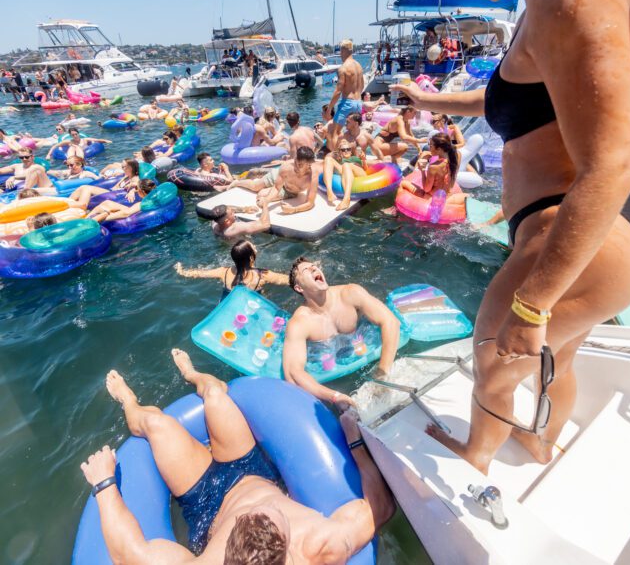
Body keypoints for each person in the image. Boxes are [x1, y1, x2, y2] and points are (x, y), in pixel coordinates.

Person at [390, 0, 630, 475]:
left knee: (494, 364)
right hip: (604, 243)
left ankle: (475, 458)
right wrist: (425, 100)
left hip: (573, 234)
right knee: (559, 358)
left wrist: (531, 305)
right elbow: (510, 104)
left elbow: (611, 165)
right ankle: (540, 443)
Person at [81, 350, 394, 563]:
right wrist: (355, 443)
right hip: (250, 471)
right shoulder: (321, 546)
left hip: (205, 503)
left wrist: (104, 483)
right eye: (270, 511)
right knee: (216, 393)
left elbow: (127, 554)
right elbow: (380, 508)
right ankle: (193, 375)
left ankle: (129, 402)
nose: (262, 507)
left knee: (155, 423)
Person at [283, 257, 402, 406]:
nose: (314, 268)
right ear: (299, 288)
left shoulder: (350, 293)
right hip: (331, 373)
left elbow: (391, 322)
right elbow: (292, 373)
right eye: (307, 270)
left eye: (315, 266)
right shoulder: (299, 323)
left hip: (365, 354)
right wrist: (335, 396)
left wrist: (382, 373)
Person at [175, 239, 289, 300]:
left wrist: (181, 270)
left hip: (226, 307)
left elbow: (199, 273)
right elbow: (289, 280)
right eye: (253, 247)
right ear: (251, 257)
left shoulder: (223, 272)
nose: (255, 247)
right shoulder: (263, 275)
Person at [235, 147, 319, 215]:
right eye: (295, 162)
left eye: (300, 165)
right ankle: (236, 182)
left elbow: (310, 203)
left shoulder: (312, 178)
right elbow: (276, 187)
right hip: (279, 177)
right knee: (255, 186)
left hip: (289, 191)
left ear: (309, 165)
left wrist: (294, 209)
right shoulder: (287, 166)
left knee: (261, 195)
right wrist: (267, 201)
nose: (296, 166)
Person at [399, 133, 467, 206]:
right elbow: (452, 181)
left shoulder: (434, 167)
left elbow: (426, 189)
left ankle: (394, 210)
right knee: (467, 196)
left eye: (431, 146)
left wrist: (422, 170)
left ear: (439, 149)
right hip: (447, 197)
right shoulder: (457, 157)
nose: (429, 148)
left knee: (402, 183)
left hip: (431, 198)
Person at [326, 39, 364, 137]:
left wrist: (329, 109)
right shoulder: (359, 66)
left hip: (347, 103)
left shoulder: (343, 68)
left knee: (335, 132)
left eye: (340, 52)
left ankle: (335, 152)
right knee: (353, 132)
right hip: (358, 103)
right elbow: (362, 85)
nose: (340, 54)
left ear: (343, 51)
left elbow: (338, 91)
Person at [70, 159, 141, 208]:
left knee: (87, 188)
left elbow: (139, 185)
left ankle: (82, 206)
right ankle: (68, 201)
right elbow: (116, 184)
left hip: (116, 195)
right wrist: (111, 176)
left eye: (123, 167)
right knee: (82, 187)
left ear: (130, 168)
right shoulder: (126, 176)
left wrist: (132, 191)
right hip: (111, 192)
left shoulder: (135, 178)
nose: (122, 168)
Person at [322, 138, 368, 210]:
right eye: (343, 150)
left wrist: (364, 160)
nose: (346, 151)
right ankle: (329, 192)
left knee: (346, 165)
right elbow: (327, 161)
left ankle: (346, 199)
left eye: (348, 149)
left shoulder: (355, 158)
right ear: (340, 152)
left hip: (358, 172)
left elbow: (365, 169)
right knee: (328, 159)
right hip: (345, 170)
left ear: (351, 151)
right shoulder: (339, 160)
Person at [86, 179, 156, 222]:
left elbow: (126, 214)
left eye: (136, 188)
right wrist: (132, 190)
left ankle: (86, 220)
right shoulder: (154, 197)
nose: (136, 190)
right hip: (138, 213)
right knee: (107, 203)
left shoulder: (141, 204)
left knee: (102, 208)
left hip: (135, 219)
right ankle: (86, 218)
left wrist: (104, 216)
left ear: (142, 191)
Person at [46, 128, 112, 161]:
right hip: (73, 157)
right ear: (70, 135)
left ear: (78, 133)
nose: (75, 136)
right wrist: (49, 155)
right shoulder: (68, 141)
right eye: (73, 135)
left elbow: (97, 140)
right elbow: (55, 146)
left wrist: (106, 141)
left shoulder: (84, 140)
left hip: (88, 157)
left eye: (76, 134)